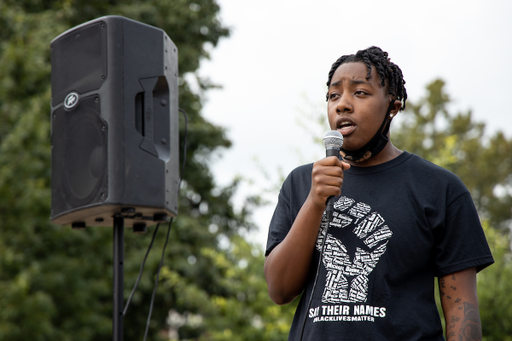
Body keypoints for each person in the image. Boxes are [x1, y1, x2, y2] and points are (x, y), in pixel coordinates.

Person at [264, 46, 494, 341]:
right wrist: (314, 201)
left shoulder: (440, 189)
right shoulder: (301, 183)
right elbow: (279, 290)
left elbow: (462, 313)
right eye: (334, 95)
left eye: (359, 93)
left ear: (393, 107)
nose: (342, 105)